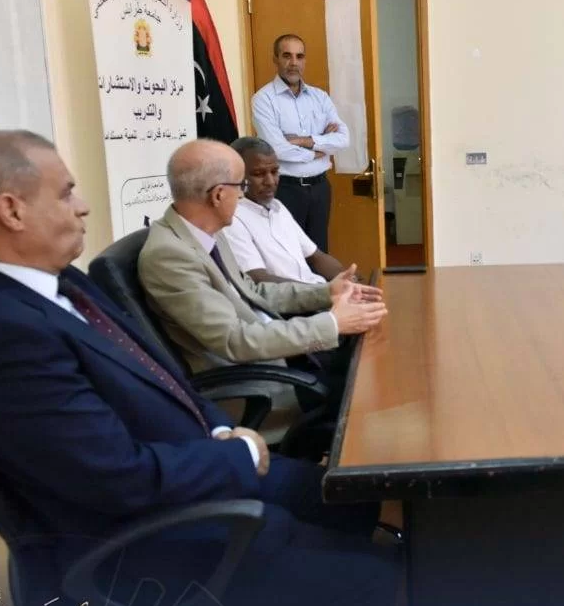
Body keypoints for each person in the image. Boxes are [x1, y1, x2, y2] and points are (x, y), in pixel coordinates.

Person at [0, 129, 398, 606]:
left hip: (189, 462)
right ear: (12, 211)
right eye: (65, 193)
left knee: (349, 500)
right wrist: (239, 455)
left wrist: (220, 430)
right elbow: (117, 482)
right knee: (368, 582)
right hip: (148, 540)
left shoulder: (61, 285)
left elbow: (163, 377)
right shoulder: (3, 335)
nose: (83, 207)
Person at [137, 139, 385, 375]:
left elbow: (254, 292)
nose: (242, 196)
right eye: (240, 187)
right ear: (218, 195)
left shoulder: (207, 233)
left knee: (374, 348)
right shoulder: (169, 256)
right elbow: (234, 340)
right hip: (257, 374)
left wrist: (326, 292)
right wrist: (332, 323)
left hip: (277, 346)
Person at [250, 34, 349, 252]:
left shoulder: (320, 97)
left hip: (320, 188)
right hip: (286, 190)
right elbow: (277, 149)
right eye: (287, 56)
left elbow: (343, 138)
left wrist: (303, 140)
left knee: (319, 253)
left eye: (299, 56)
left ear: (304, 60)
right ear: (275, 59)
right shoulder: (263, 99)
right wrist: (318, 150)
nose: (294, 62)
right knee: (288, 254)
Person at [222, 136, 348, 285]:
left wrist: (349, 280)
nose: (270, 182)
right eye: (258, 174)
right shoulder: (232, 219)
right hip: (292, 297)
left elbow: (317, 257)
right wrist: (323, 292)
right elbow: (258, 279)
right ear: (236, 176)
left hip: (315, 290)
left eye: (274, 171)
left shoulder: (278, 208)